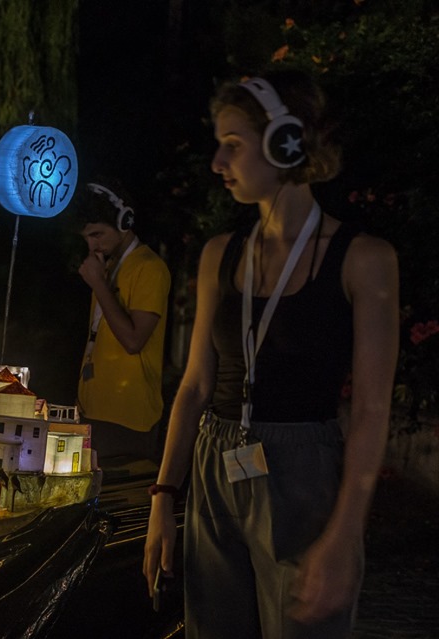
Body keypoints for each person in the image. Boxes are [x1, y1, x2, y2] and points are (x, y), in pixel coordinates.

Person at [142, 69, 399, 638]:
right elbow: (195, 385)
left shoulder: (364, 259)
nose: (217, 162)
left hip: (303, 471)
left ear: (286, 143)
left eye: (233, 145)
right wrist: (163, 496)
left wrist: (344, 536)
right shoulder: (221, 254)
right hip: (216, 460)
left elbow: (371, 410)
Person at [74, 179, 171, 461]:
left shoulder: (150, 268)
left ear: (124, 221)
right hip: (93, 410)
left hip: (128, 418)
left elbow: (133, 341)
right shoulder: (110, 266)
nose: (92, 245)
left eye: (97, 234)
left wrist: (98, 284)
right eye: (87, 238)